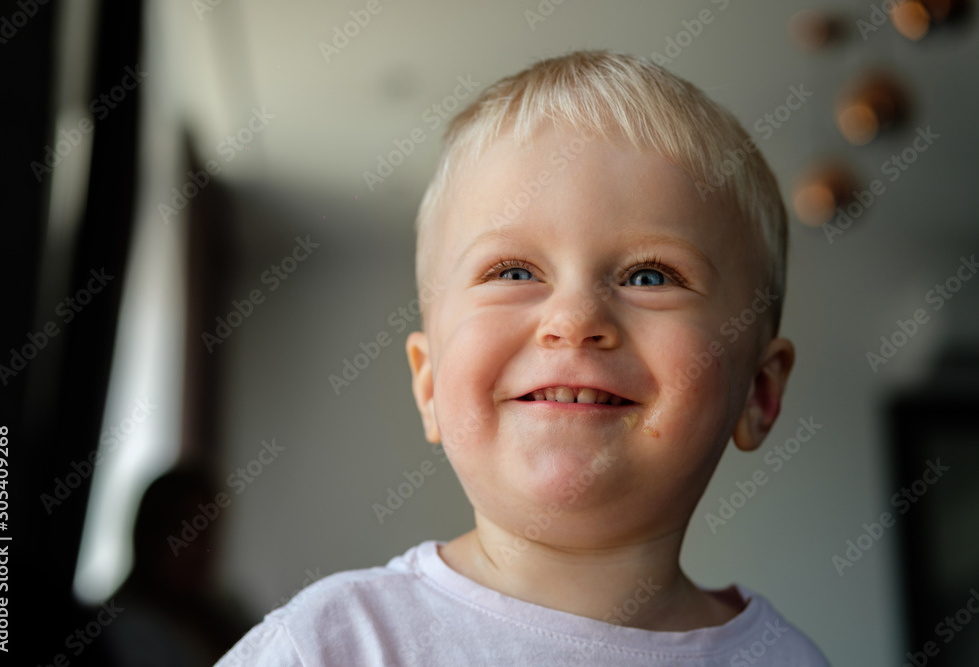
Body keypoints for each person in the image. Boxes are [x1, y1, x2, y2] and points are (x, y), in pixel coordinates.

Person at [215, 50, 830, 666]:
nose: (574, 321)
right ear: (429, 386)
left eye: (649, 276)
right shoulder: (330, 646)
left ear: (759, 391)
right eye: (513, 270)